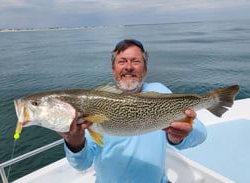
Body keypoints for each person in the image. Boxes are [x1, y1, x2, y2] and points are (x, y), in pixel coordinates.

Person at [59, 39, 207, 183]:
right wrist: (75, 143)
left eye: (136, 61)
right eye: (122, 61)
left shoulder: (159, 91)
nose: (128, 67)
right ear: (113, 69)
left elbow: (200, 134)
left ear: (145, 68)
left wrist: (178, 137)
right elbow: (82, 164)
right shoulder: (94, 102)